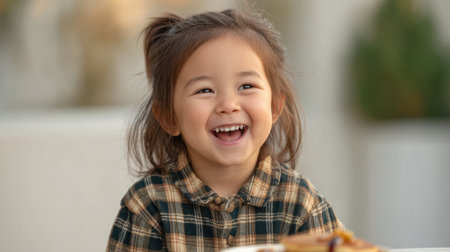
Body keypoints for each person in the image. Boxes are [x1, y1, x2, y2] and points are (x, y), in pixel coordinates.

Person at [107, 8, 342, 251]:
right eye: (205, 90)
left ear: (274, 107)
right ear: (169, 117)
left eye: (246, 85)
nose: (228, 105)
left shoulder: (300, 203)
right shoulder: (149, 204)